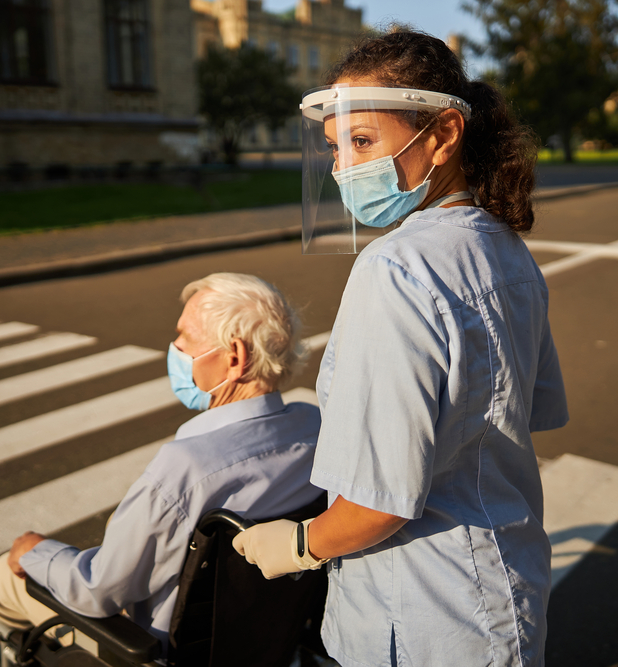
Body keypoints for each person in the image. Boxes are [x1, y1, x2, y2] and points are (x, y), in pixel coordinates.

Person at [232, 31, 568, 667]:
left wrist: (300, 544)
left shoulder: (396, 268)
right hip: (506, 586)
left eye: (362, 142)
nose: (343, 169)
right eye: (335, 148)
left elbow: (379, 501)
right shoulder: (507, 250)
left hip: (422, 612)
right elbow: (525, 414)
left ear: (443, 134)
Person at [0, 272, 321, 651]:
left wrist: (37, 552)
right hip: (268, 643)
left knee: (5, 574)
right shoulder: (314, 427)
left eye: (185, 337)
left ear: (234, 356)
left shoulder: (185, 468)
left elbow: (98, 592)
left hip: (158, 652)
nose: (174, 347)